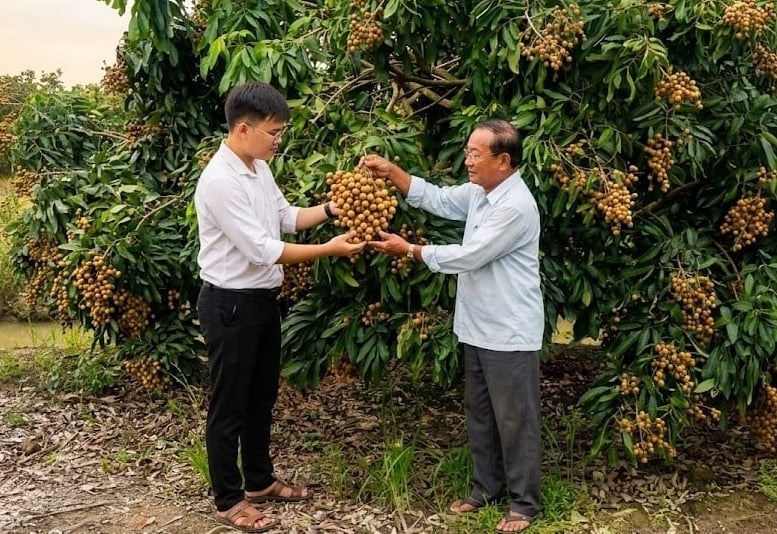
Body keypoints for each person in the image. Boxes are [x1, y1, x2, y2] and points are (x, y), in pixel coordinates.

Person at [195, 81, 365, 532]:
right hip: (229, 305)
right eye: (273, 133)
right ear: (243, 129)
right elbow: (262, 249)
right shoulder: (220, 181)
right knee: (229, 406)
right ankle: (228, 500)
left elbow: (286, 218)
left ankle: (259, 481)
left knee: (261, 398)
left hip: (260, 302)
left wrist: (332, 207)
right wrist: (329, 249)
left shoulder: (258, 168)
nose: (278, 141)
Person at [361, 119, 543, 533]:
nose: (468, 161)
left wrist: (411, 250)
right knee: (481, 414)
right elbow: (439, 198)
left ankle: (524, 503)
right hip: (477, 326)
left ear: (504, 160)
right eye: (467, 152)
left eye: (476, 154)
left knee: (515, 420)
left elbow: (470, 255)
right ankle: (485, 489)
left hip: (509, 331)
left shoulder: (515, 206)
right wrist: (392, 172)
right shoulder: (481, 193)